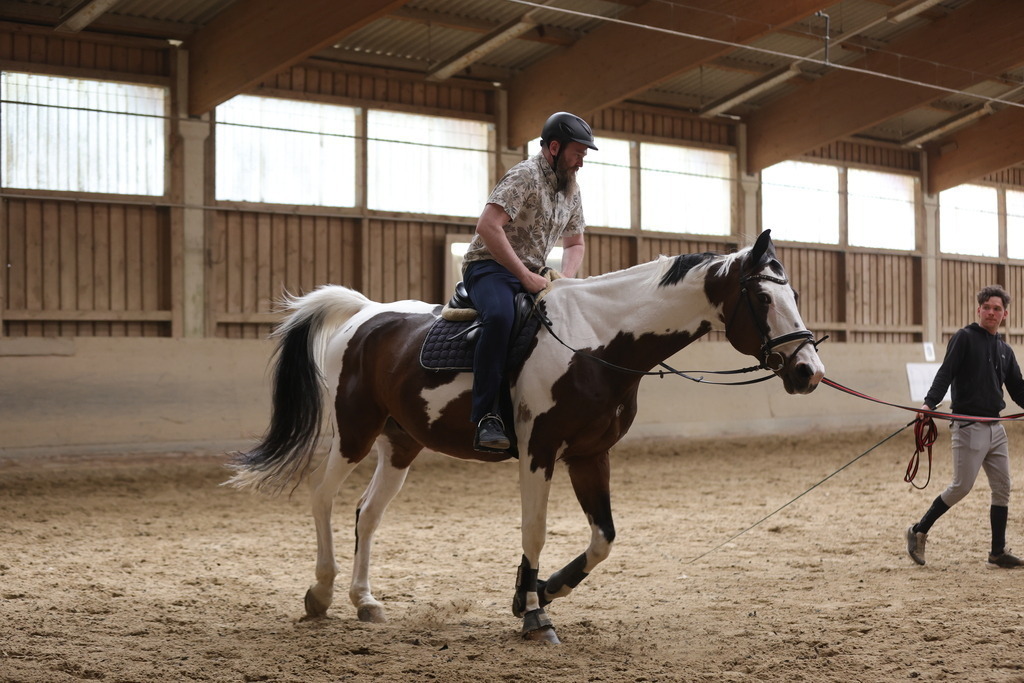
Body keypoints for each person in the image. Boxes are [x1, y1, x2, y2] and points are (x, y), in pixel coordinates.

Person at [461, 112, 596, 452]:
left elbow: (575, 243)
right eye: (578, 153)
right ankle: (486, 417)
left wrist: (565, 280)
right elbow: (487, 226)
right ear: (555, 147)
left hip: (534, 274)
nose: (581, 162)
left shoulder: (571, 190)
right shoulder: (524, 175)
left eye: (583, 155)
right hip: (489, 267)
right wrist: (523, 275)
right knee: (500, 317)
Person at [907, 285, 1024, 568]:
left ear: (1005, 314)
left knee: (1003, 487)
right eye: (987, 308)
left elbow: (1018, 390)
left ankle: (997, 552)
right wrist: (929, 404)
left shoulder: (1005, 350)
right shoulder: (964, 338)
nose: (992, 312)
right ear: (979, 310)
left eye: (997, 309)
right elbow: (945, 372)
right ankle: (918, 531)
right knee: (961, 487)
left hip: (996, 428)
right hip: (969, 426)